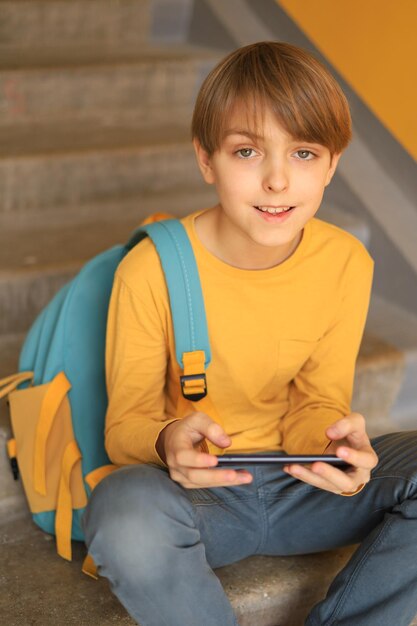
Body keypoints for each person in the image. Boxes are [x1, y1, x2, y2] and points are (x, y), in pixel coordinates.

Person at [82, 42, 417, 626]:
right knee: (123, 512)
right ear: (206, 160)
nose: (278, 180)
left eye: (305, 152)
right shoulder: (152, 269)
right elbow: (123, 427)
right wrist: (168, 441)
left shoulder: (346, 262)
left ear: (333, 163)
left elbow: (316, 399)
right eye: (246, 151)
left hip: (301, 487)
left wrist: (335, 444)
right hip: (197, 498)